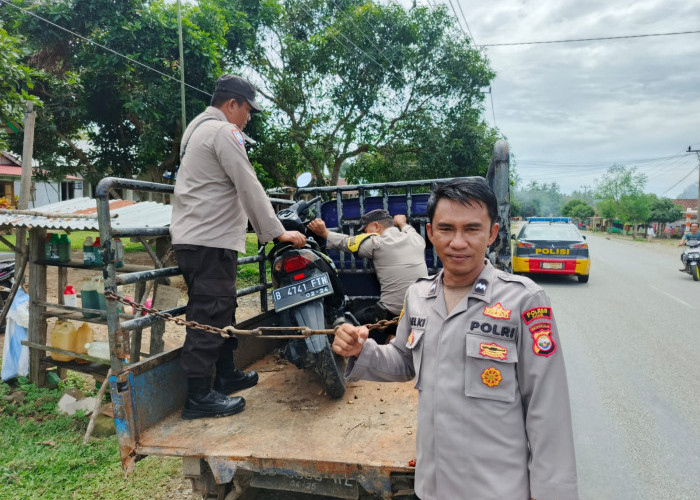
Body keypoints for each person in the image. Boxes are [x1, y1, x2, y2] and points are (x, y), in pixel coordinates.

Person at [332, 178, 578, 500]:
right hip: (432, 486)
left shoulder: (524, 301)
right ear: (430, 233)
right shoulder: (418, 295)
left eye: (472, 229)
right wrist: (362, 351)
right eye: (446, 229)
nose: (457, 242)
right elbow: (405, 360)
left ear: (492, 233)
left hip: (497, 490)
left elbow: (548, 408)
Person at [170, 75, 306, 420]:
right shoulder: (223, 132)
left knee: (222, 309)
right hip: (208, 241)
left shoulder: (197, 131)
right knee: (208, 314)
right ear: (232, 104)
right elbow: (248, 183)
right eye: (248, 110)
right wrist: (277, 233)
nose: (248, 118)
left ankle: (227, 374)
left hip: (204, 239)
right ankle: (199, 396)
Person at [308, 209, 427, 343]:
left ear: (376, 226)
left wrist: (324, 232)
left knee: (354, 320)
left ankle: (388, 345)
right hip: (423, 310)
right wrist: (402, 223)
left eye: (365, 230)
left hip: (393, 314)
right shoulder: (416, 238)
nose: (365, 234)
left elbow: (346, 242)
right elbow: (408, 229)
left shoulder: (377, 243)